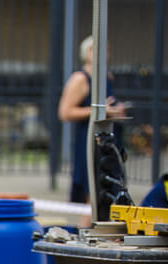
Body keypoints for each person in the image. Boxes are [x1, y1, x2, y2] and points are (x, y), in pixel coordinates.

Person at [57, 36, 128, 206]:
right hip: (89, 141)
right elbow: (65, 112)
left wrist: (116, 111)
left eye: (107, 49)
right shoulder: (80, 79)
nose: (104, 54)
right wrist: (99, 111)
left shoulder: (106, 77)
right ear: (87, 52)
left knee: (110, 193)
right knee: (94, 194)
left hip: (109, 140)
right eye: (97, 49)